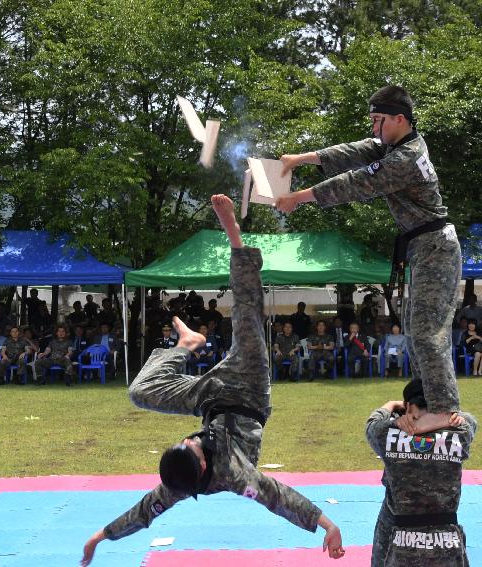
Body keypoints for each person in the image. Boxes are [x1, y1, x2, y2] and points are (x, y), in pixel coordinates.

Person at [79, 195, 344, 566]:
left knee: (140, 392)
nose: (190, 439)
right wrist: (327, 525)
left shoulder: (176, 479)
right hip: (248, 389)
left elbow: (143, 512)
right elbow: (277, 497)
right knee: (247, 317)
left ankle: (186, 345)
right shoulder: (236, 475)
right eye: (192, 448)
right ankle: (235, 237)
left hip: (209, 399)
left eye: (184, 442)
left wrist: (99, 536)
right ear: (202, 468)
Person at [277, 85, 461, 419]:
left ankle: (444, 411)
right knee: (414, 329)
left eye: (379, 121)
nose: (374, 129)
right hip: (424, 246)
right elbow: (355, 151)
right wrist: (301, 159)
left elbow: (356, 182)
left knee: (425, 333)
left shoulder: (406, 158)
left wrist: (297, 198)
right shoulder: (397, 145)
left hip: (435, 247)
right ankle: (425, 403)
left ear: (400, 119)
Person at [366, 378, 476, 567]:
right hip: (446, 538)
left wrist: (393, 405)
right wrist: (447, 418)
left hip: (401, 535)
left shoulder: (388, 433)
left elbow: (372, 423)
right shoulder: (459, 432)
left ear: (408, 407)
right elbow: (472, 421)